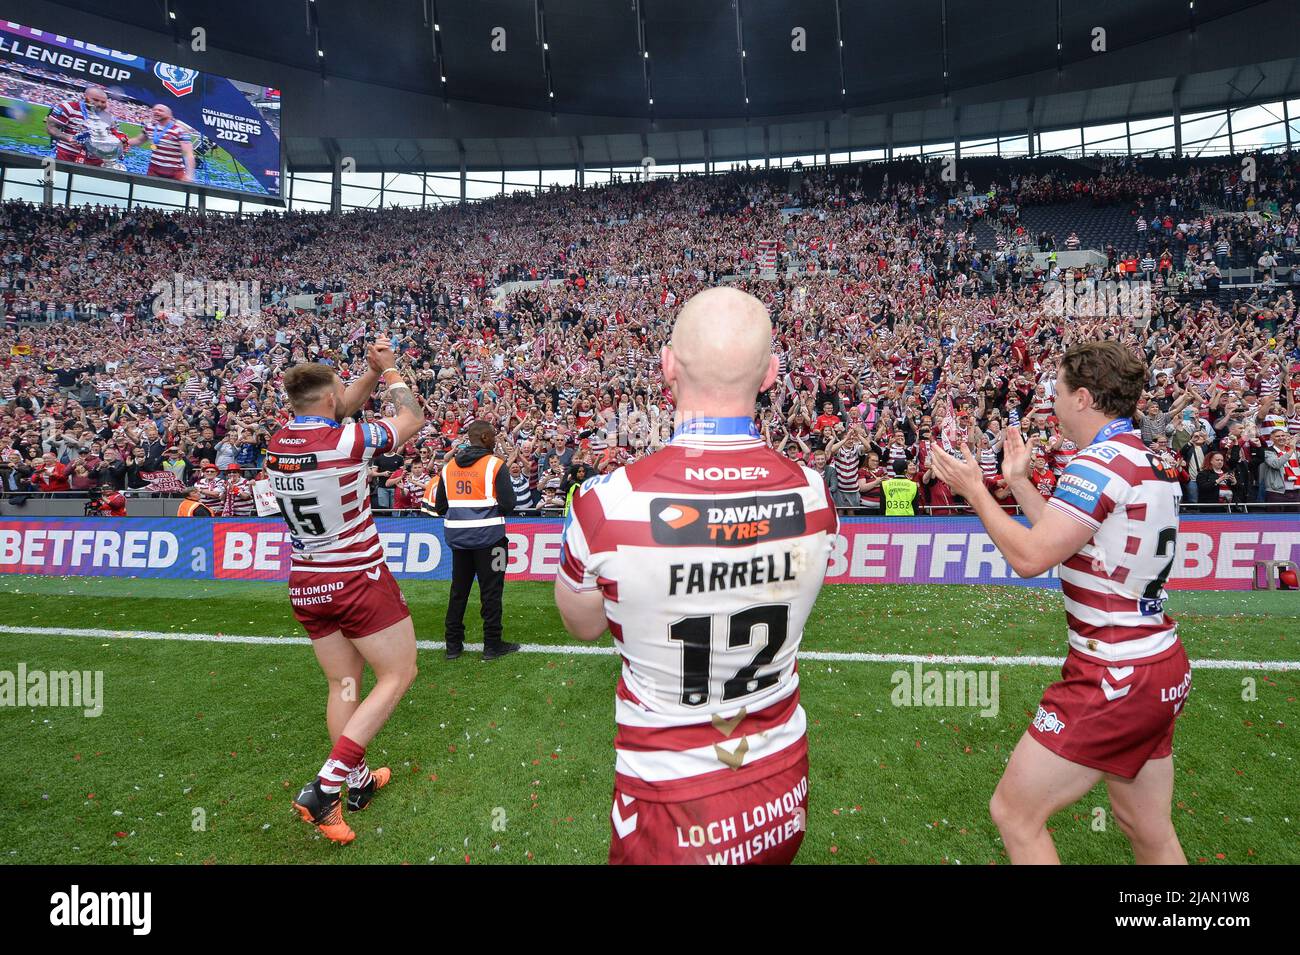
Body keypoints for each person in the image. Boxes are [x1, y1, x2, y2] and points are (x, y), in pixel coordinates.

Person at [554, 286, 838, 865]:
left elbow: (582, 626)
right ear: (771, 375)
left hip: (667, 798)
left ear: (667, 367)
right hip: (780, 785)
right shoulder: (813, 492)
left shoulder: (606, 503)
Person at [929, 339, 1190, 865]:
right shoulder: (1145, 456)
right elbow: (1068, 534)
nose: (1052, 398)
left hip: (1114, 670)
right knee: (1147, 827)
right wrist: (1019, 482)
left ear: (1085, 398)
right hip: (1157, 660)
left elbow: (1031, 557)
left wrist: (976, 491)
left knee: (1014, 814)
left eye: (1059, 389)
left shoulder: (1097, 462)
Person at [270, 336, 425, 844]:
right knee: (398, 674)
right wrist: (394, 372)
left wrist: (369, 373)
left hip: (306, 580)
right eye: (341, 390)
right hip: (357, 577)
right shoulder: (345, 441)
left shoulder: (279, 441)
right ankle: (326, 786)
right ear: (332, 400)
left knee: (344, 685)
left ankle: (356, 781)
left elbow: (340, 405)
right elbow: (411, 421)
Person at [424, 419, 518, 660]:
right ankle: (492, 645)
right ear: (485, 438)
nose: (496, 439)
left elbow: (441, 506)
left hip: (459, 538)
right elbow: (508, 505)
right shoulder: (495, 465)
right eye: (493, 435)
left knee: (459, 591)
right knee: (492, 592)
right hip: (490, 539)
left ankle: (453, 645)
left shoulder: (449, 467)